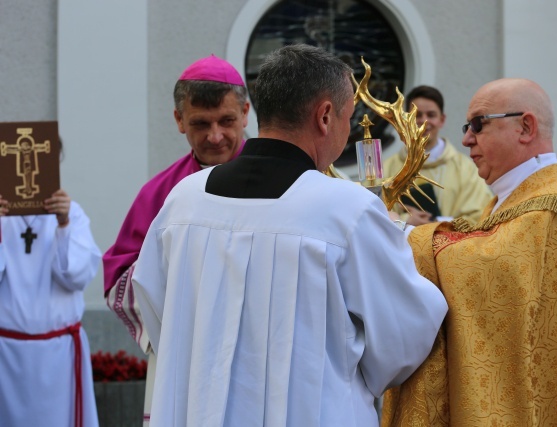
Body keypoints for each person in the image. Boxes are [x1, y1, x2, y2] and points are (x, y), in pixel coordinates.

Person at [132, 44, 448, 427]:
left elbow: (157, 310)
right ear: (326, 116)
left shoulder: (183, 202)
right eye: (349, 117)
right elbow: (403, 336)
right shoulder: (347, 210)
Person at [381, 78, 557, 426]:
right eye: (466, 127)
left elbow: (490, 268)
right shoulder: (525, 196)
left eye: (478, 124)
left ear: (526, 127)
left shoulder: (553, 206)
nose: (466, 139)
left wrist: (403, 233)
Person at [102, 53, 250, 425]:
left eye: (227, 121)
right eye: (201, 123)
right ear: (179, 120)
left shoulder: (285, 181)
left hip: (258, 350)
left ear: (246, 113)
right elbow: (119, 277)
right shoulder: (159, 194)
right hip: (186, 357)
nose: (216, 136)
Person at [0, 185, 101, 426]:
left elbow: (77, 277)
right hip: (5, 357)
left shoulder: (72, 213)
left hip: (58, 357)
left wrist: (63, 225)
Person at [383, 85, 493, 225]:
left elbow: (480, 216)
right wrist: (405, 221)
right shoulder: (388, 169)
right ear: (405, 120)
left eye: (431, 115)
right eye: (417, 115)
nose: (424, 121)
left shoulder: (466, 169)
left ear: (442, 119)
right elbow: (376, 216)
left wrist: (435, 223)